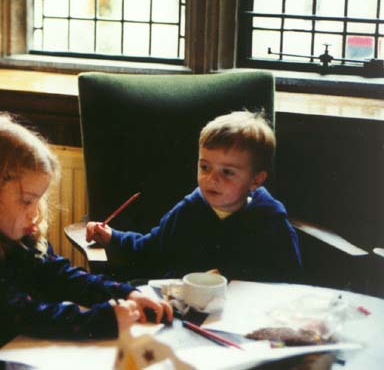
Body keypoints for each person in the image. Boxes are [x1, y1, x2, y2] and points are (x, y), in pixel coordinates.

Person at [0, 112, 172, 370]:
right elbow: (24, 313)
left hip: (13, 352)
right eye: (26, 201)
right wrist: (101, 320)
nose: (35, 211)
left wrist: (126, 293)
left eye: (38, 199)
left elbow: (60, 275)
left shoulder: (17, 234)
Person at [86, 110, 302, 282]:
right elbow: (150, 249)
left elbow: (288, 277)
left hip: (242, 316)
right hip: (183, 308)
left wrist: (226, 276)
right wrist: (113, 237)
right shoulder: (190, 209)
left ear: (256, 180)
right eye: (205, 167)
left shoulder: (270, 221)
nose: (212, 179)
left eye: (227, 172)